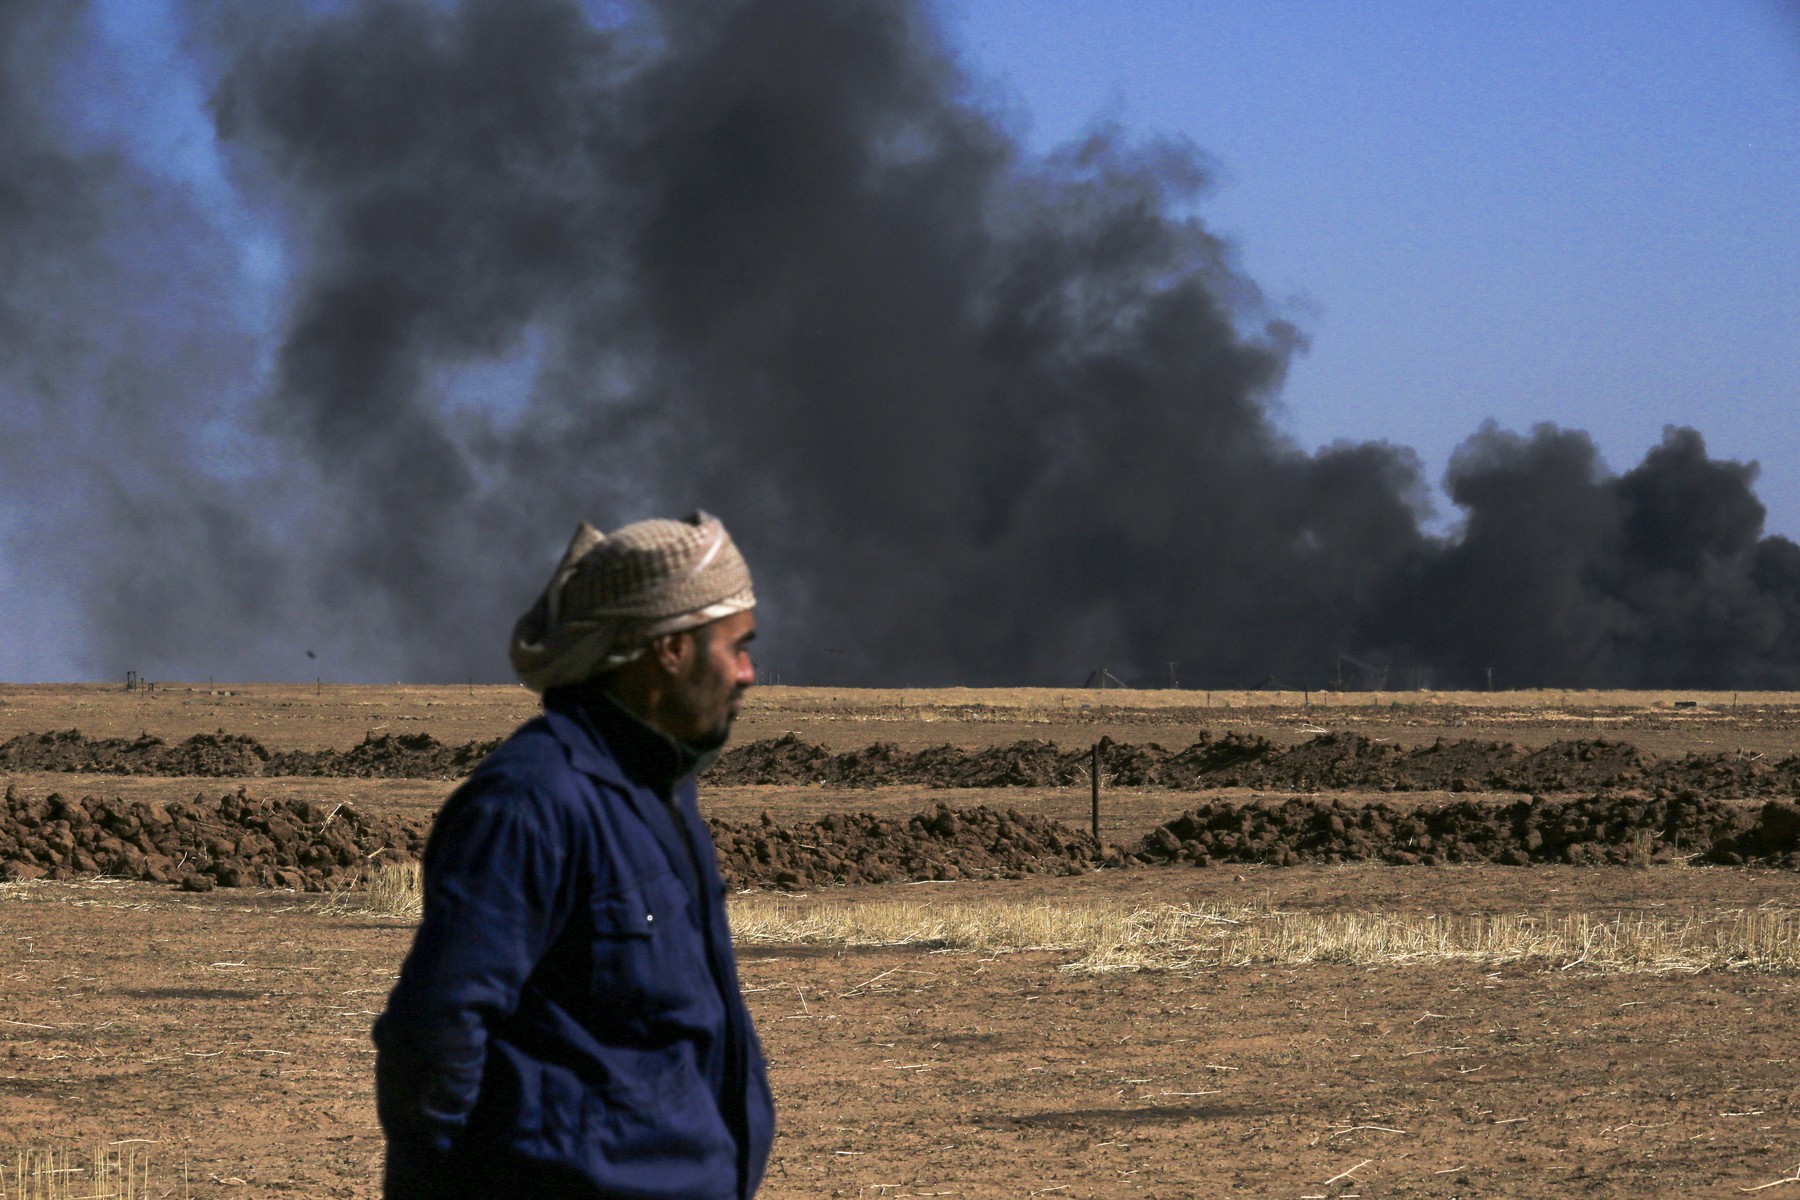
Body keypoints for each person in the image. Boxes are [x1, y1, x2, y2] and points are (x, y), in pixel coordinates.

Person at [373, 511, 775, 1199]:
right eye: (734, 647)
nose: (748, 673)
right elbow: (435, 1036)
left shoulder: (662, 794)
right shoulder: (531, 803)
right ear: (669, 649)